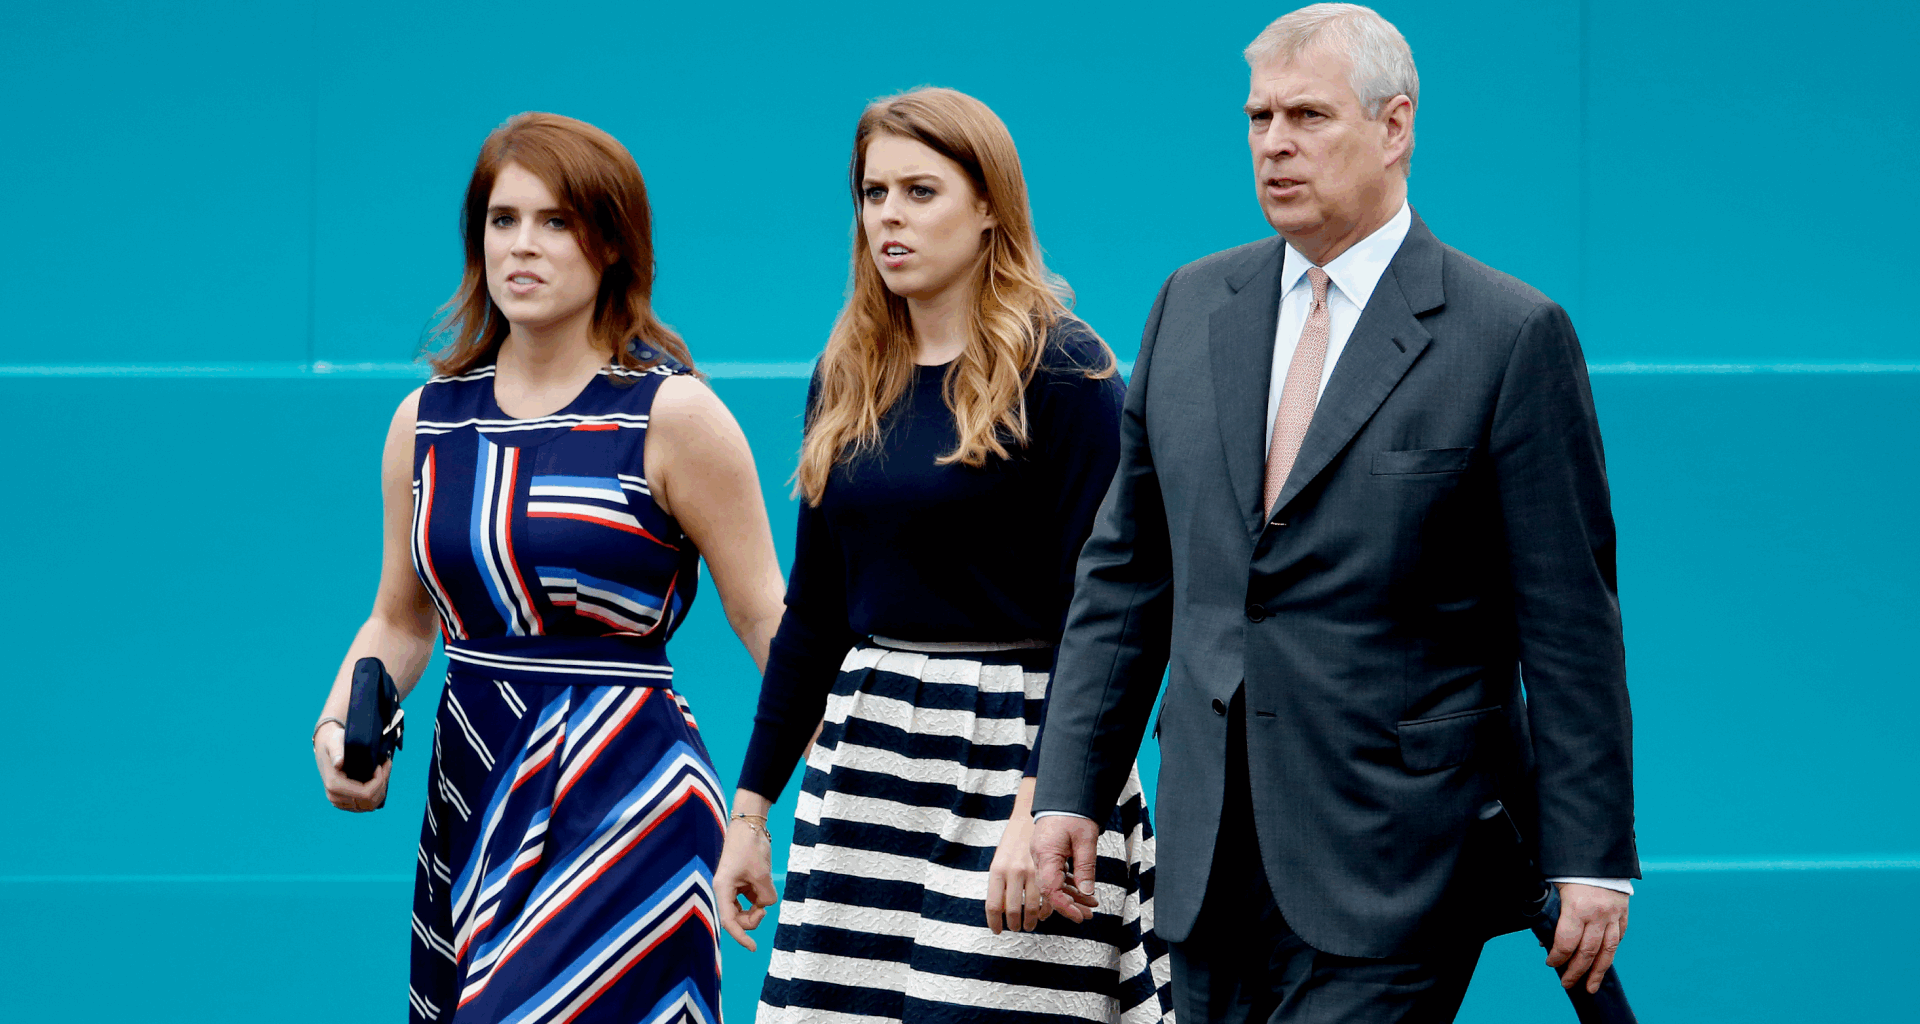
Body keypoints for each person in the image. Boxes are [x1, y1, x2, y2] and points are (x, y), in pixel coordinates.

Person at [1029, 6, 1639, 1022]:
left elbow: (1570, 621)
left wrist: (1591, 855)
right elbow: (1127, 574)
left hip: (1395, 860)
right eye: (1259, 116)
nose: (1274, 142)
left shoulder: (1509, 336)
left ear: (1396, 127)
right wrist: (1070, 786)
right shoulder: (1190, 306)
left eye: (1307, 115)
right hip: (1207, 859)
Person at [308, 112, 787, 1024]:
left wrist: (814, 786)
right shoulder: (427, 421)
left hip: (625, 798)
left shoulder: (673, 416)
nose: (522, 245)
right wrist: (342, 722)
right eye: (502, 219)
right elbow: (400, 622)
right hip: (473, 790)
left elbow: (772, 621)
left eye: (555, 221)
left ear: (610, 242)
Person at [712, 87, 1173, 1024]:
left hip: (1023, 762)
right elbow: (816, 616)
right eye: (874, 193)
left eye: (921, 192)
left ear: (989, 205)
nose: (890, 216)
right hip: (871, 769)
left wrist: (1043, 810)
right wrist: (751, 812)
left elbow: (1111, 619)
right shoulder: (849, 372)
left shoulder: (1067, 371)